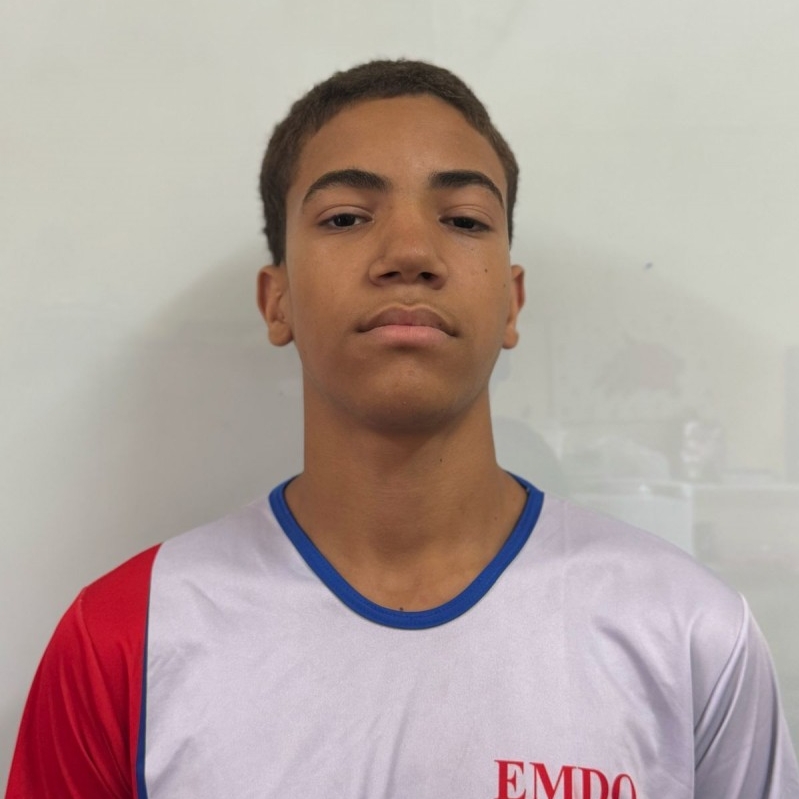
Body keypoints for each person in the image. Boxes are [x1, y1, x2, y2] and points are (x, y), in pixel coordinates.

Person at [6, 59, 798, 799]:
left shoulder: (691, 632)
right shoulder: (123, 638)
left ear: (512, 302)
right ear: (276, 300)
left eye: (463, 219)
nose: (410, 252)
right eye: (346, 216)